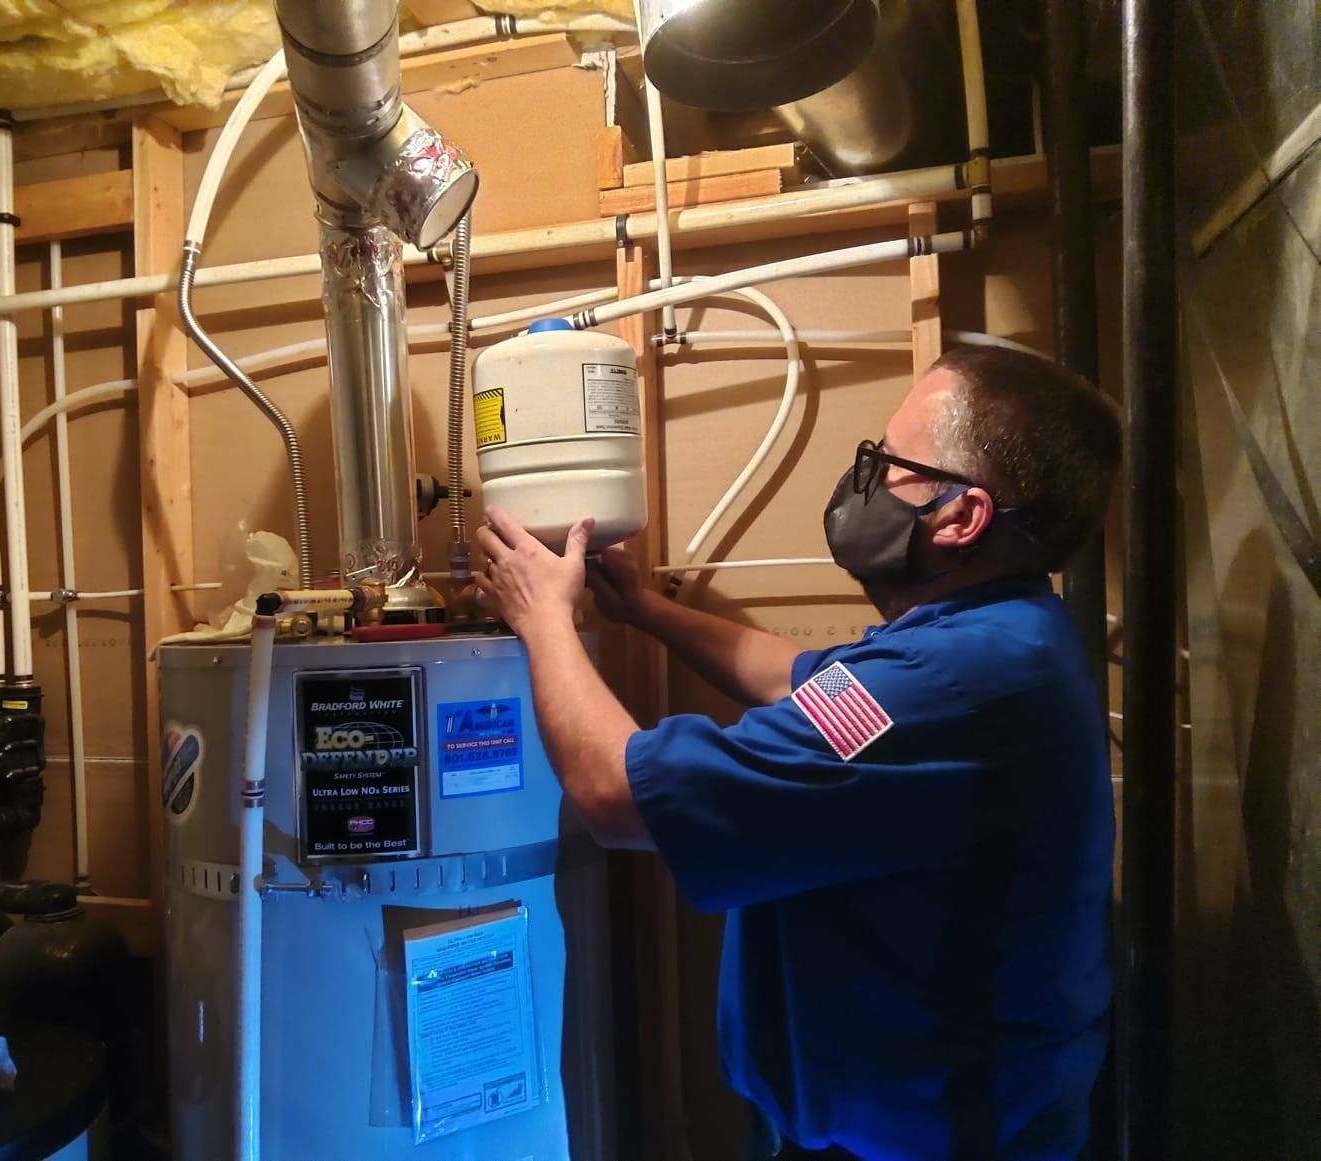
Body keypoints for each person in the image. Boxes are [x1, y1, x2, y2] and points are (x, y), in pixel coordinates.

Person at [474, 345, 1123, 1161]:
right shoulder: (997, 635)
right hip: (898, 1121)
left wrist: (544, 622)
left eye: (891, 464)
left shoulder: (948, 683)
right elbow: (798, 681)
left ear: (962, 517)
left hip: (929, 1141)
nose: (867, 477)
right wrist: (645, 609)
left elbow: (615, 795)